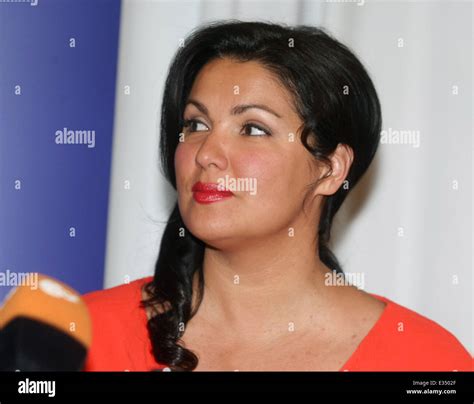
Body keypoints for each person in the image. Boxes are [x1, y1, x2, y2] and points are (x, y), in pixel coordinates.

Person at [83, 20, 472, 372]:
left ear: (330, 169)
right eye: (196, 124)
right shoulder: (81, 337)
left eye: (252, 129)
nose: (206, 154)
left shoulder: (425, 362)